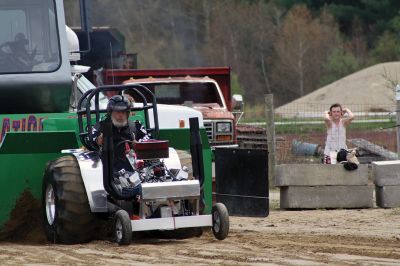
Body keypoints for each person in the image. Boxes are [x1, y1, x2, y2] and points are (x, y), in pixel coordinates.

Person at [92, 94, 151, 172]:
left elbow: (148, 140)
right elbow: (90, 140)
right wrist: (98, 140)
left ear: (128, 113)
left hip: (136, 170)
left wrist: (139, 144)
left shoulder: (136, 125)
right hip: (107, 171)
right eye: (117, 112)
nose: (120, 115)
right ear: (110, 112)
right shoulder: (100, 126)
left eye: (123, 112)